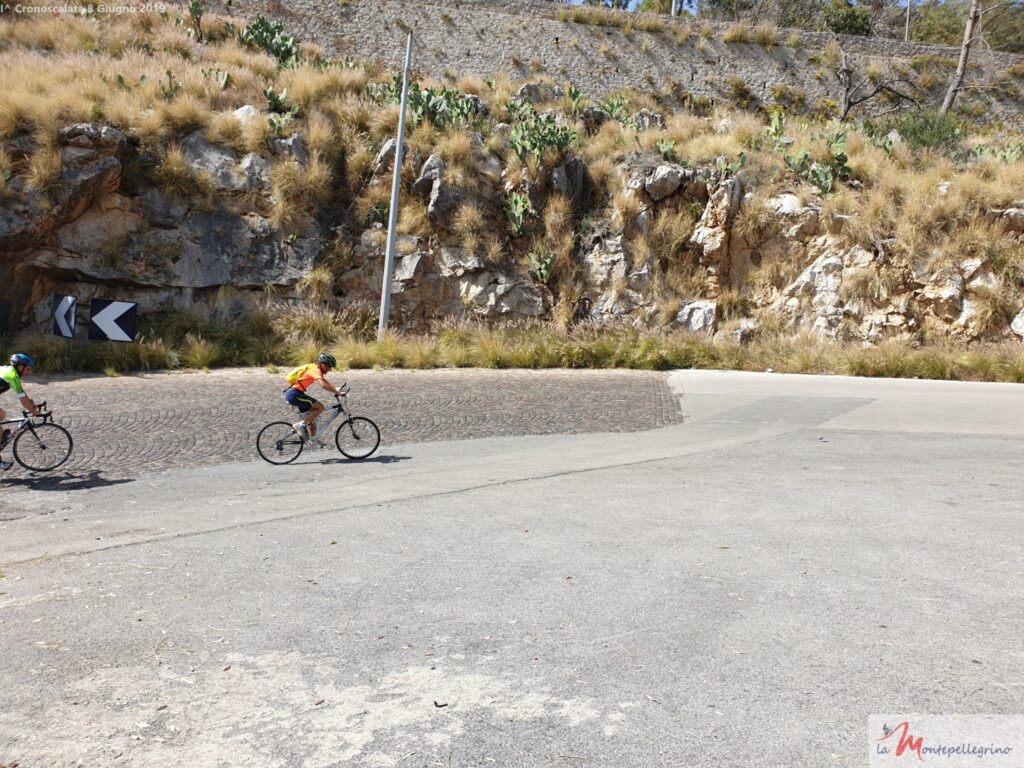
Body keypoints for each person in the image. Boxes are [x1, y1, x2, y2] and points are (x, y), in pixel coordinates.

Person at [283, 352, 342, 444]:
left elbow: (324, 381)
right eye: (330, 367)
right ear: (324, 365)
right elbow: (323, 385)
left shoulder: (315, 369)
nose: (330, 370)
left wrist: (335, 388)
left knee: (311, 419)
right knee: (320, 407)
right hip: (295, 395)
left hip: (295, 394)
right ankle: (301, 425)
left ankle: (313, 439)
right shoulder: (315, 370)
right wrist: (338, 392)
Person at [0, 353, 41, 471]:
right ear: (20, 367)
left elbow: (22, 393)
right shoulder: (13, 376)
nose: (30, 372)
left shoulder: (8, 370)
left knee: (1, 415)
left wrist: (31, 404)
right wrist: (33, 411)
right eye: (28, 369)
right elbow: (22, 399)